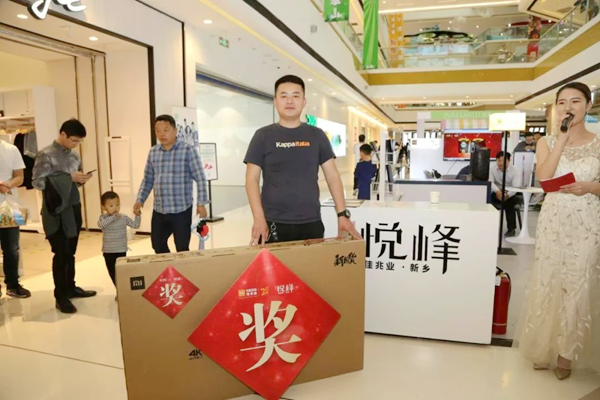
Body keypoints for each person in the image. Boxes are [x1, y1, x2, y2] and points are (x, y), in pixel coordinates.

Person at [517, 82, 600, 379]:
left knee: (578, 283)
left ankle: (567, 353)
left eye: (575, 101)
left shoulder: (598, 143)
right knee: (549, 279)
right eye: (562, 102)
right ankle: (544, 345)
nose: (568, 107)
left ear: (588, 106)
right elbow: (545, 177)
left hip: (587, 219)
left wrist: (590, 187)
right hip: (553, 218)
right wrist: (561, 140)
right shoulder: (547, 142)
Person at [244, 75, 361, 245]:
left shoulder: (317, 135)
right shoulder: (262, 136)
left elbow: (332, 176)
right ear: (275, 101)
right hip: (272, 223)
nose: (289, 101)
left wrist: (342, 214)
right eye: (284, 96)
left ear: (304, 101)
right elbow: (251, 180)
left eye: (295, 96)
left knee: (312, 264)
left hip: (311, 222)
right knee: (274, 264)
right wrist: (259, 218)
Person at [32, 119, 96, 314]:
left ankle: (70, 287)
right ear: (62, 134)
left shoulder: (74, 156)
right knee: (61, 253)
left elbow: (74, 183)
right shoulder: (46, 154)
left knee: (71, 251)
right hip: (56, 212)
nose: (75, 145)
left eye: (79, 142)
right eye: (73, 140)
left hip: (73, 208)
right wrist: (68, 178)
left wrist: (81, 179)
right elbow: (37, 182)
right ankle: (60, 296)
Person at [134, 115, 208, 254]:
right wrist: (140, 199)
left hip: (181, 209)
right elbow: (148, 179)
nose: (161, 134)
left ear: (175, 131)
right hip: (160, 209)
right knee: (157, 244)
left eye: (166, 130)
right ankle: (169, 266)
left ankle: (180, 267)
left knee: (182, 247)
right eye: (158, 130)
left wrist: (201, 203)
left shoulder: (188, 151)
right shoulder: (153, 152)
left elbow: (200, 178)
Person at [0, 140, 31, 299]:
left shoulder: (11, 149)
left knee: (12, 248)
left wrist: (7, 184)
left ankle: (13, 284)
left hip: (11, 206)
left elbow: (20, 177)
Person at [98, 191, 141, 287]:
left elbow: (135, 225)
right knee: (112, 272)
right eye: (111, 206)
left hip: (121, 249)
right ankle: (119, 289)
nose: (115, 208)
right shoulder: (103, 218)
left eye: (117, 204)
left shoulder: (123, 217)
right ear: (104, 207)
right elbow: (101, 225)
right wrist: (113, 217)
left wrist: (137, 215)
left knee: (121, 272)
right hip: (108, 251)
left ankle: (122, 290)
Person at [489, 151, 523, 237]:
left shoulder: (515, 171)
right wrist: (497, 191)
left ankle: (511, 229)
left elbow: (516, 187)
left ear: (509, 160)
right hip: (497, 191)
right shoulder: (492, 168)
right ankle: (489, 226)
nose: (501, 163)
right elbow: (490, 183)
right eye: (498, 160)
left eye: (503, 161)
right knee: (487, 198)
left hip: (512, 193)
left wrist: (507, 195)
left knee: (509, 202)